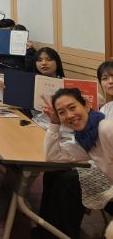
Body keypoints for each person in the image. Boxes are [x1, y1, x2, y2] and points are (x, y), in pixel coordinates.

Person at [31, 61, 113, 239]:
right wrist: (54, 123)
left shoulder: (105, 127)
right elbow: (52, 156)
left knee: (69, 182)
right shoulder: (87, 134)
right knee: (55, 174)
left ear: (87, 105)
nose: (69, 115)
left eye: (72, 107)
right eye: (62, 112)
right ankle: (48, 232)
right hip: (105, 177)